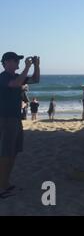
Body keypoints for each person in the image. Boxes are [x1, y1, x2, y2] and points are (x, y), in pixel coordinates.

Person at [0, 52, 40, 198]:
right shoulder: (3, 76)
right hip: (5, 119)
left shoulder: (16, 76)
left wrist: (36, 65)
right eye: (16, 60)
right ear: (7, 62)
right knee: (5, 153)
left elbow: (36, 79)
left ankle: (5, 183)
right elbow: (15, 84)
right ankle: (1, 186)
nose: (18, 62)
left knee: (13, 151)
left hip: (15, 118)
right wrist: (27, 67)